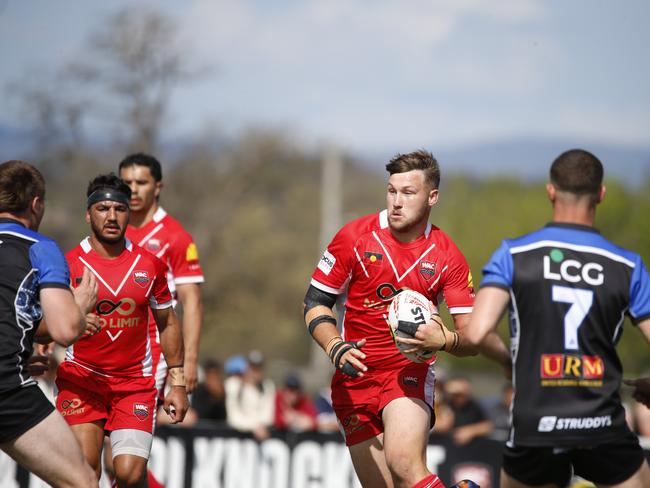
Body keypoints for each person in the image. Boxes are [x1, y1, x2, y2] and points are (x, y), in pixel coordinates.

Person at [303, 150, 498, 488]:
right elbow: (316, 303)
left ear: (432, 196)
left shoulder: (447, 256)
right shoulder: (354, 237)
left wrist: (446, 340)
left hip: (407, 372)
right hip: (353, 380)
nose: (396, 201)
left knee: (404, 463)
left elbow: (473, 339)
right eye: (392, 190)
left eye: (408, 193)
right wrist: (334, 345)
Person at [464, 149, 650, 488]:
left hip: (535, 425)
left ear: (551, 191)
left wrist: (510, 361)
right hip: (600, 423)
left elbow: (476, 333)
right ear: (601, 194)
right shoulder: (627, 266)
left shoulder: (514, 254)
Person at [55, 173, 189, 487]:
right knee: (85, 472)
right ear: (88, 214)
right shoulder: (67, 265)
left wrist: (178, 382)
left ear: (130, 213)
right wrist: (71, 321)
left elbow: (168, 322)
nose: (112, 216)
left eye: (120, 209)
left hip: (133, 385)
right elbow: (43, 323)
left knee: (129, 473)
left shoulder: (150, 265)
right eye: (103, 208)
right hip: (82, 380)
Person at [0, 160, 98, 487]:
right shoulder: (40, 248)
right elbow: (65, 330)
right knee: (82, 481)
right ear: (36, 204)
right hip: (6, 391)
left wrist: (21, 345)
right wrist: (80, 306)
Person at [118, 153, 204, 395]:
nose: (133, 190)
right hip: (109, 343)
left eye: (141, 183)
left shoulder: (175, 236)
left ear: (157, 187)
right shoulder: (112, 229)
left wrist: (190, 359)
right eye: (126, 183)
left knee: (130, 427)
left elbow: (192, 301)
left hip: (152, 348)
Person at [225, 350, 275, 441]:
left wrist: (259, 427)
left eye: (259, 367)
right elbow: (233, 417)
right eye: (253, 367)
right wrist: (254, 427)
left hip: (261, 438)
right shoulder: (234, 385)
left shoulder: (267, 387)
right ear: (247, 367)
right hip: (237, 439)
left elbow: (268, 416)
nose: (256, 372)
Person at [435, 377, 493, 446]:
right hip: (443, 445)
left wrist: (470, 431)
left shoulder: (474, 405)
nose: (458, 397)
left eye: (461, 394)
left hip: (469, 448)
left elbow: (488, 426)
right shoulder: (444, 404)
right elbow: (441, 426)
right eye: (456, 394)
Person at [192, 358, 227, 424]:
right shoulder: (199, 389)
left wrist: (218, 397)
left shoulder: (224, 389)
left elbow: (224, 414)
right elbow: (199, 413)